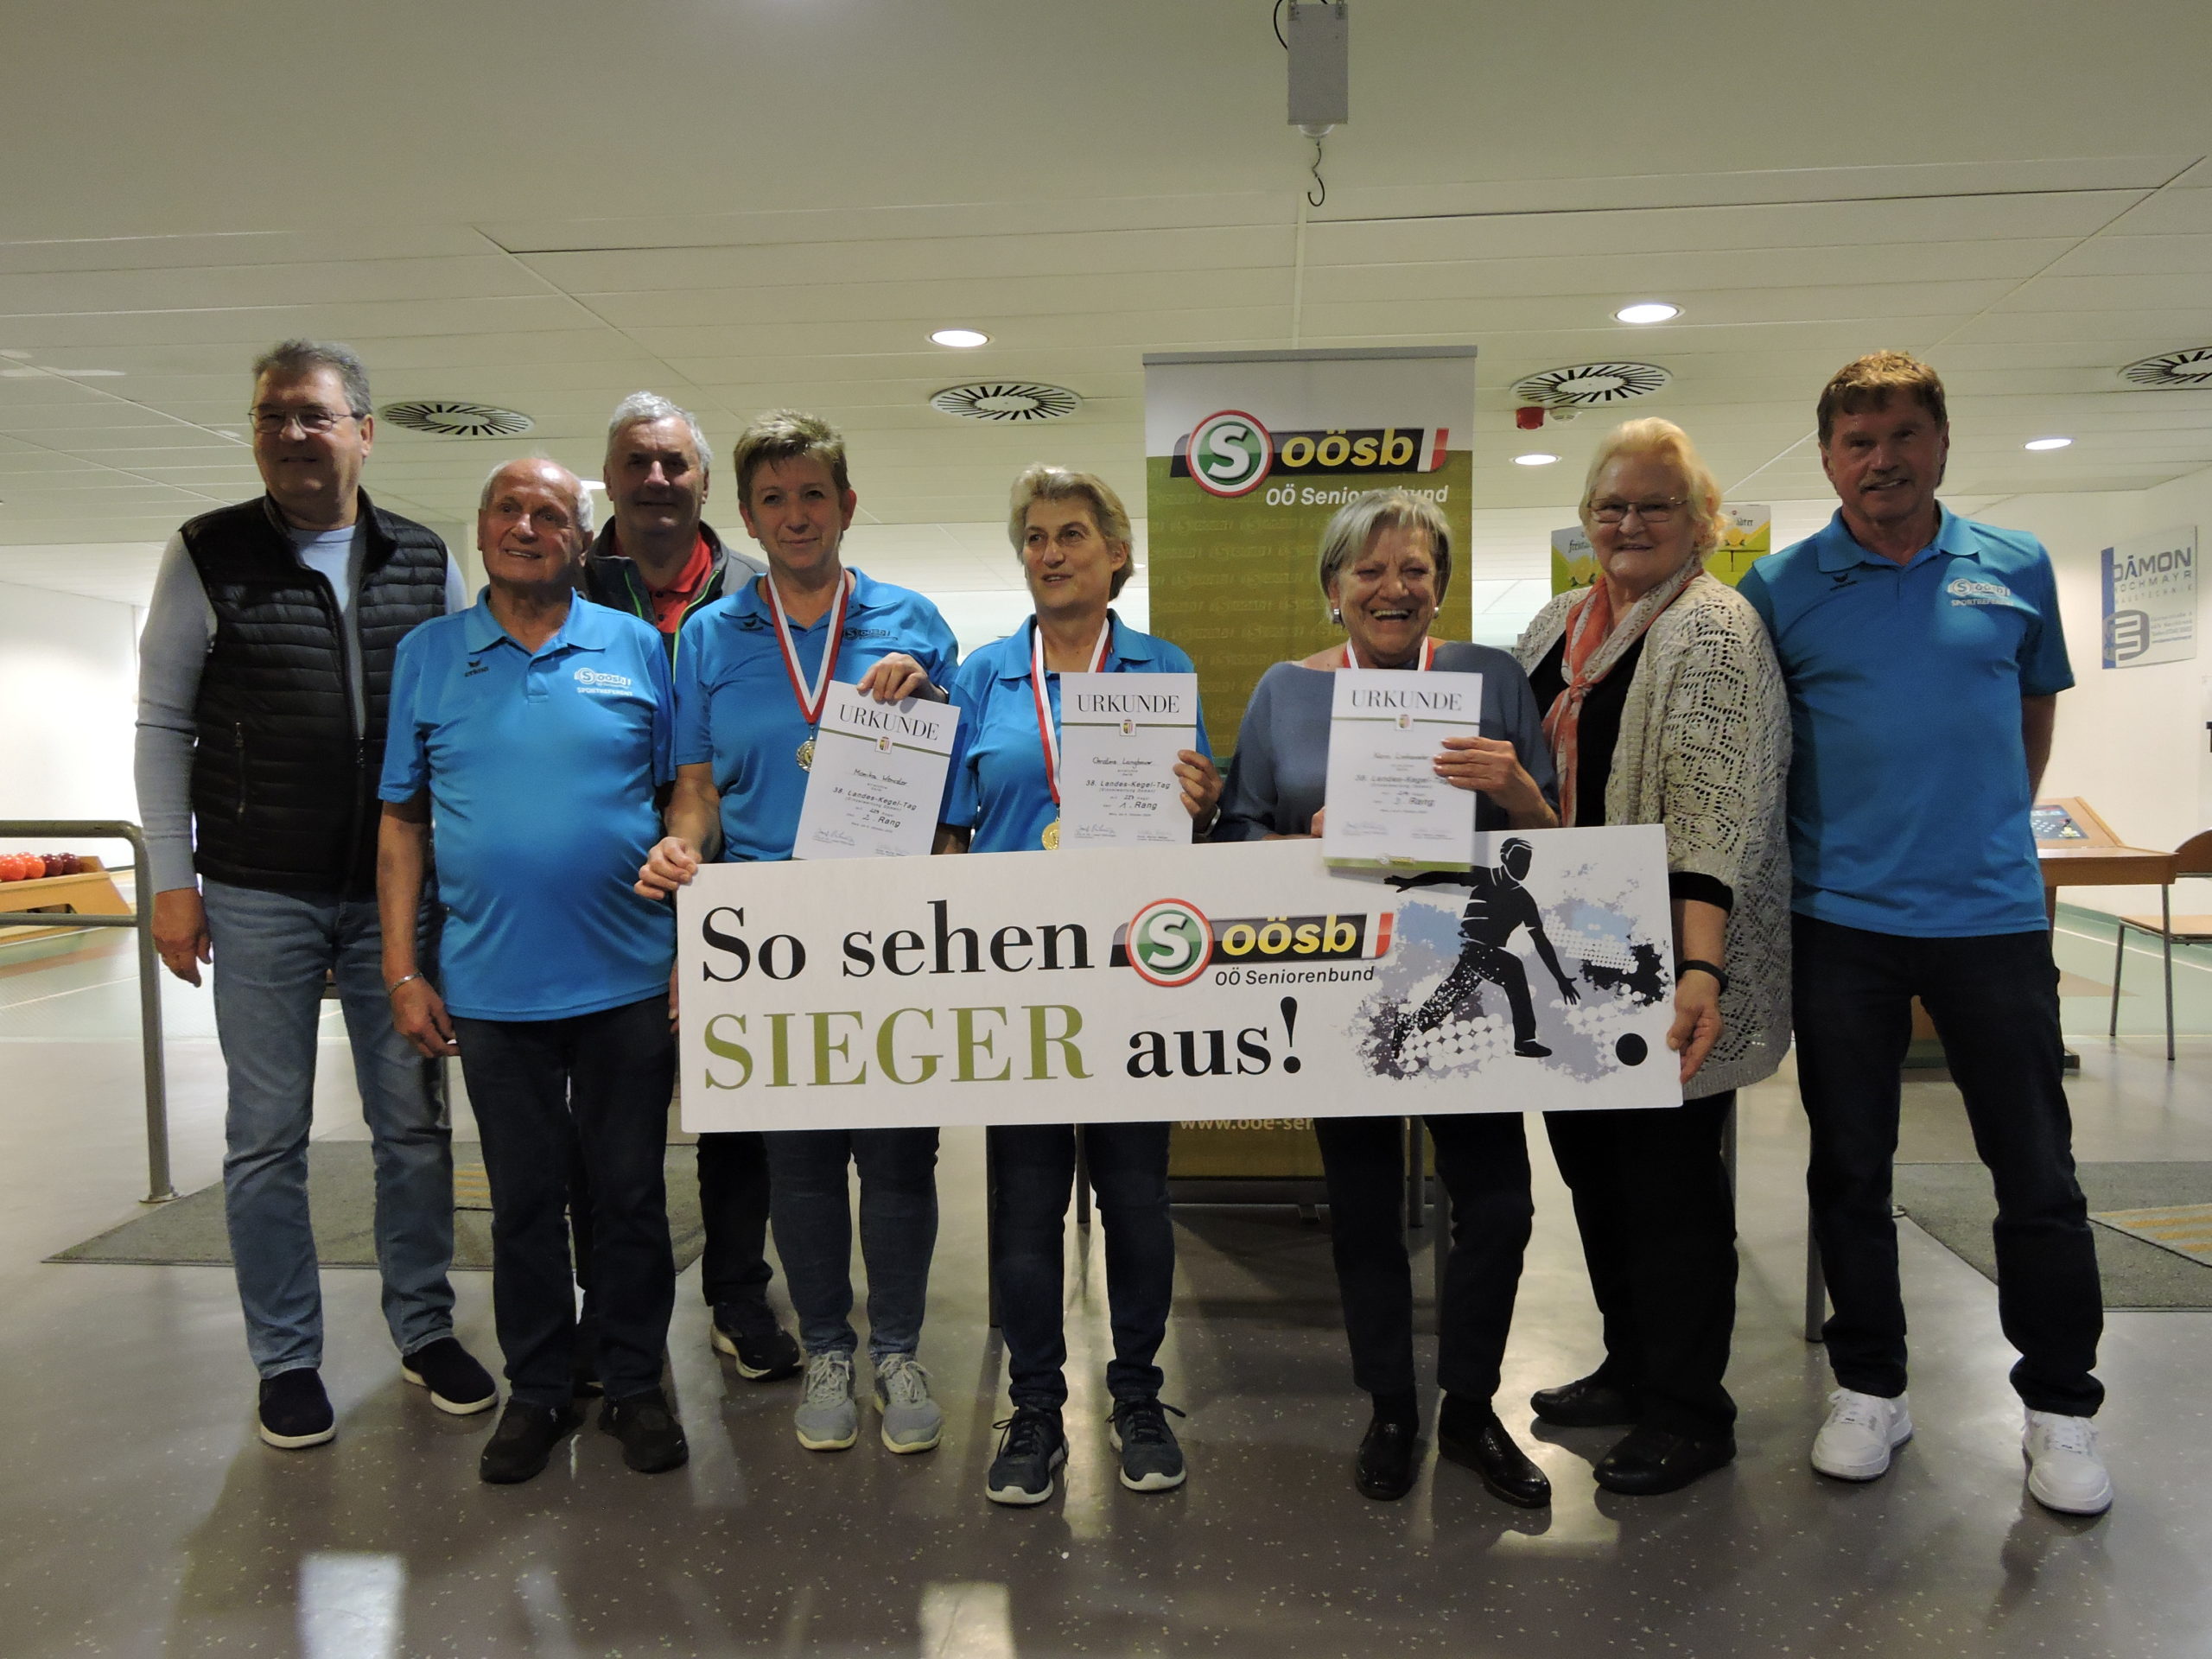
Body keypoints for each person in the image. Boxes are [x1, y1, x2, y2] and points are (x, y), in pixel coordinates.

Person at [1738, 353, 2112, 1516]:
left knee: (2036, 1171)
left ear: (1942, 442)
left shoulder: (2015, 565)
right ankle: (1870, 1386)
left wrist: (1985, 829)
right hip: (1839, 925)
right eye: (1857, 442)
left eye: (1903, 435)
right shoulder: (1779, 586)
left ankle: (2060, 1405)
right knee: (1850, 1168)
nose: (1882, 460)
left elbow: (2031, 710)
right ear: (1826, 459)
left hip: (1990, 919)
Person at [133, 339, 493, 1451]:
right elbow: (163, 724)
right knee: (266, 1136)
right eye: (271, 415)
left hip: (395, 895)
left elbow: (459, 723)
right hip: (257, 889)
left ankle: (424, 1328)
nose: (291, 433)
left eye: (314, 415)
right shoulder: (207, 554)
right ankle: (286, 1359)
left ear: (364, 433)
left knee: (413, 1128)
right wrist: (171, 882)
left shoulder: (423, 558)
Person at [1214, 488, 1560, 1507]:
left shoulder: (1491, 679)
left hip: (1466, 980)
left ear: (1438, 586)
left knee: (1499, 1205)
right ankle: (1391, 1408)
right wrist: (1300, 840)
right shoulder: (1284, 692)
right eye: (1368, 571)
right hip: (1342, 985)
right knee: (1364, 1213)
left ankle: (1469, 1407)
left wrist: (1516, 792)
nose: (1391, 588)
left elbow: (1560, 839)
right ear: (1333, 588)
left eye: (1414, 569)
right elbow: (1233, 834)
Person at [635, 410, 961, 1459]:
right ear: (746, 516)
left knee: (900, 1160)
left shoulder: (914, 620)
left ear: (847, 504)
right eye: (773, 499)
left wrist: (930, 697)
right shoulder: (709, 638)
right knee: (801, 1164)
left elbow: (954, 792)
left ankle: (897, 1349)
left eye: (813, 493)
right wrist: (683, 849)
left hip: (886, 928)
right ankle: (826, 1347)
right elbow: (697, 791)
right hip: (769, 938)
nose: (795, 515)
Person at [378, 458, 688, 1485]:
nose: (527, 527)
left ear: (581, 540)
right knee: (521, 1201)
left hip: (628, 977)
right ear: (480, 531)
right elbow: (401, 822)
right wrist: (401, 970)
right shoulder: (429, 656)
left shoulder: (635, 647)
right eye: (508, 511)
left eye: (551, 514)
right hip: (492, 987)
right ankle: (541, 1387)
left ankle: (634, 1382)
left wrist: (690, 922)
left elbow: (679, 797)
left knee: (630, 1195)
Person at [1514, 416, 1791, 1496]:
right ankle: (1629, 1367)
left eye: (1655, 505)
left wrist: (1699, 972)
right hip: (1567, 957)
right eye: (1611, 506)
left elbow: (1716, 819)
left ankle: (1689, 1411)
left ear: (1702, 520)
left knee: (1670, 1193)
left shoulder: (1713, 630)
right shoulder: (1557, 626)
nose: (1629, 523)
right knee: (1596, 1177)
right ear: (1586, 518)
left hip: (1668, 962)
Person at [939, 465, 1223, 1506]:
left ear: (1115, 552)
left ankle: (1138, 1395)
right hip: (1017, 979)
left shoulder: (1162, 667)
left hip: (1129, 974)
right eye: (1034, 537)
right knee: (1024, 1207)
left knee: (1136, 1197)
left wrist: (1203, 799)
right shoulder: (981, 675)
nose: (1049, 553)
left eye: (1070, 534)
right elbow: (950, 832)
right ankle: (1033, 1408)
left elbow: (1193, 823)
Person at [576, 393, 797, 1387]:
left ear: (706, 484)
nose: (656, 479)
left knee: (737, 1105)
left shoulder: (760, 590)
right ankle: (611, 1314)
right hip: (604, 895)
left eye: (675, 463)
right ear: (609, 478)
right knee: (609, 1122)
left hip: (733, 886)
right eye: (637, 461)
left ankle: (737, 1295)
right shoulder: (565, 588)